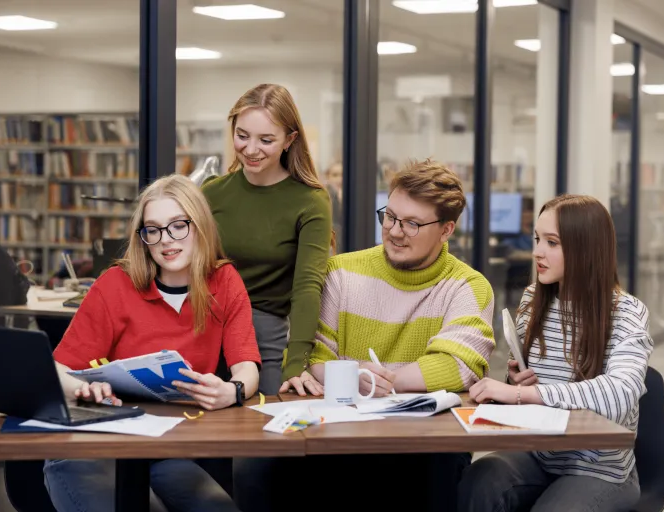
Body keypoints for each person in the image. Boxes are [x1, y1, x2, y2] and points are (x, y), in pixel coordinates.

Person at [273, 158, 494, 512]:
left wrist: (383, 381)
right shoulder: (341, 272)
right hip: (344, 440)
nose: (393, 231)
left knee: (439, 467)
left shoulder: (468, 286)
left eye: (412, 223)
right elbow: (314, 358)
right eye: (389, 216)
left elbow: (460, 365)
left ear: (447, 229)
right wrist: (359, 375)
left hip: (424, 446)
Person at [43, 174, 261, 512]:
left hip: (169, 446)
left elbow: (246, 366)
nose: (166, 240)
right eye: (153, 230)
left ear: (200, 224)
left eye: (177, 226)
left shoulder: (224, 281)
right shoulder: (115, 284)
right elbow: (54, 369)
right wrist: (81, 389)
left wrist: (231, 391)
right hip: (102, 441)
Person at [459, 194, 653, 512]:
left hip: (600, 470)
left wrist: (528, 395)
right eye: (537, 239)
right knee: (478, 482)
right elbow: (531, 391)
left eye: (552, 242)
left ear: (585, 248)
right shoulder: (533, 300)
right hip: (538, 454)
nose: (537, 252)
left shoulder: (627, 313)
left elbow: (620, 396)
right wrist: (516, 381)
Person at [202, 83, 332, 396]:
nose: (250, 149)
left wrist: (297, 363)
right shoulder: (210, 193)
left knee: (266, 429)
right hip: (204, 329)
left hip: (266, 339)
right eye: (242, 135)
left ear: (289, 140)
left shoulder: (310, 201)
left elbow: (307, 288)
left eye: (266, 140)